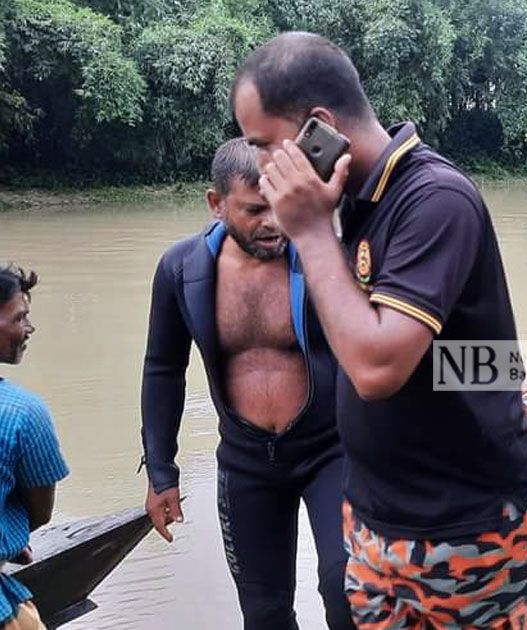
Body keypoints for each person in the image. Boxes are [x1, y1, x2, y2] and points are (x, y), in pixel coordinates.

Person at [232, 32, 527, 628]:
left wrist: (309, 232)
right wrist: (508, 389)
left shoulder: (435, 199)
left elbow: (377, 367)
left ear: (317, 127)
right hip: (377, 517)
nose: (261, 167)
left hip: (468, 524)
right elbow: (467, 338)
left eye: (264, 144)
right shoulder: (352, 202)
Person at [138, 138, 352, 630]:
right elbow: (162, 368)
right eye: (255, 210)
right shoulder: (182, 271)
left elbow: (398, 338)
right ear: (216, 204)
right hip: (246, 462)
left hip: (331, 451)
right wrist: (162, 472)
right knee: (264, 612)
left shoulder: (324, 256)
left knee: (348, 589)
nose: (273, 222)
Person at [0, 264, 69, 630]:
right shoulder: (23, 414)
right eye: (20, 317)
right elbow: (39, 513)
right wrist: (10, 537)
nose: (29, 329)